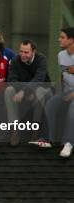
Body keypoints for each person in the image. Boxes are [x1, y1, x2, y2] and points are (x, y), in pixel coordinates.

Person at [32, 27, 74, 157]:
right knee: (51, 103)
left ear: (71, 40)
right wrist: (61, 94)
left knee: (73, 108)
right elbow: (63, 76)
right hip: (67, 91)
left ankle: (68, 143)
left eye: (62, 37)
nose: (59, 39)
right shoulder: (60, 55)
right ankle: (46, 139)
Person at [4, 40, 52, 146]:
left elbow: (39, 79)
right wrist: (26, 92)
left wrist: (24, 91)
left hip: (42, 90)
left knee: (39, 91)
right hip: (25, 92)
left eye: (26, 52)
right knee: (9, 90)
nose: (23, 55)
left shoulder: (41, 59)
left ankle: (35, 131)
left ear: (33, 51)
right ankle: (15, 129)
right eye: (21, 51)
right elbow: (11, 79)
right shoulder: (16, 60)